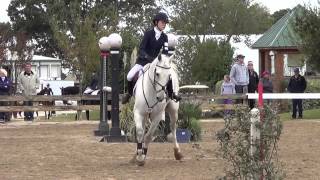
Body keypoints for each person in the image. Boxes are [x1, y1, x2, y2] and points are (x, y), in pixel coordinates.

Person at [122, 12, 181, 104]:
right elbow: (141, 48)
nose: (164, 25)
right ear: (156, 22)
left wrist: (164, 60)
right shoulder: (148, 34)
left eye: (165, 23)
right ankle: (129, 94)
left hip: (156, 63)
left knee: (167, 75)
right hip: (142, 62)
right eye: (162, 22)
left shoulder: (164, 37)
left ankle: (172, 93)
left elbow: (165, 51)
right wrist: (147, 57)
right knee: (129, 76)